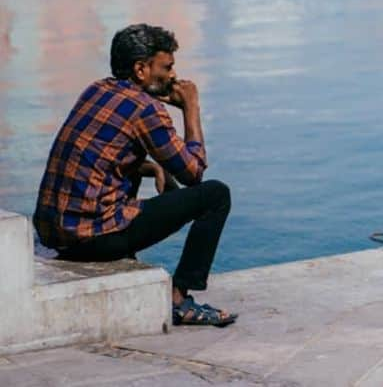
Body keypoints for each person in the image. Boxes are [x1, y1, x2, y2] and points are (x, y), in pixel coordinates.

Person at [33, 24, 235, 329]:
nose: (172, 76)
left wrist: (153, 167)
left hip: (54, 234)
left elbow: (100, 160)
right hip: (91, 239)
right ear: (141, 69)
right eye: (166, 67)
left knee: (147, 168)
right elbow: (194, 172)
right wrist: (191, 107)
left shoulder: (96, 89)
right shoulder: (145, 109)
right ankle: (179, 299)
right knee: (216, 195)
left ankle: (132, 260)